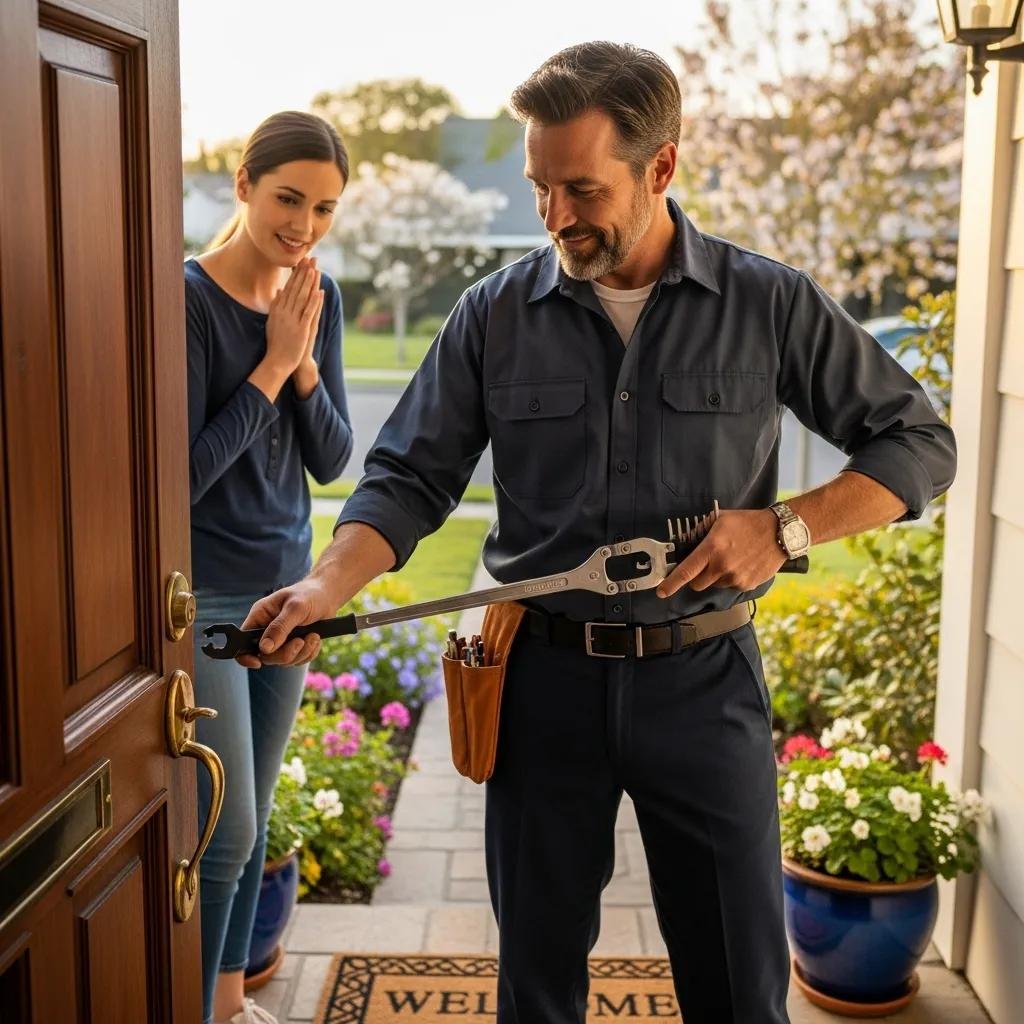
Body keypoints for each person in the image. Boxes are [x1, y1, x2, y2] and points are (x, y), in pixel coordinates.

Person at [235, 45, 956, 1024]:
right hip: (541, 688)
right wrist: (326, 587)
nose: (557, 215)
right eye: (540, 188)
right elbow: (407, 477)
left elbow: (916, 442)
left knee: (742, 993)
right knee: (533, 989)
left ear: (660, 167)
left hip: (706, 689)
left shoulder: (767, 303)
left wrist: (785, 527)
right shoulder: (492, 315)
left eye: (582, 187)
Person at [186, 110, 353, 1024]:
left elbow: (331, 459)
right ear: (243, 185)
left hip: (289, 588)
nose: (304, 225)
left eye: (324, 208)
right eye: (289, 198)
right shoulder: (187, 301)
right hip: (208, 591)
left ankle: (227, 999)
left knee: (252, 829)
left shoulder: (308, 296)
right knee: (227, 827)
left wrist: (302, 367)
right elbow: (180, 479)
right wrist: (271, 364)